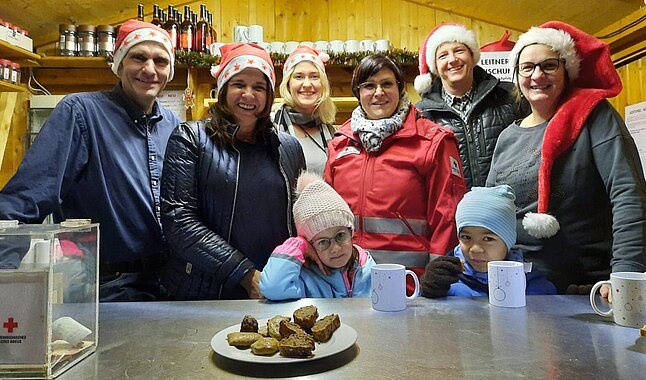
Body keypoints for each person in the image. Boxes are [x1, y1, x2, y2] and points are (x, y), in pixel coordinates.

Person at [0, 20, 180, 302]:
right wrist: (5, 280)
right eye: (138, 57)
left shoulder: (172, 125)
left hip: (167, 282)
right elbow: (26, 199)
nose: (149, 69)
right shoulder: (80, 113)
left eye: (160, 61)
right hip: (104, 288)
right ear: (118, 64)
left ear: (169, 72)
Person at [486, 21, 646, 295]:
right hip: (519, 286)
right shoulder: (506, 138)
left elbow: (628, 194)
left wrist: (625, 272)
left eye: (549, 65)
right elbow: (489, 214)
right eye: (527, 67)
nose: (537, 75)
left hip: (585, 288)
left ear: (567, 71)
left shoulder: (595, 117)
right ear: (517, 75)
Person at [160, 43, 306, 300]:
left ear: (269, 95)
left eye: (259, 87)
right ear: (224, 88)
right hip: (205, 291)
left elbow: (300, 215)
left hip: (272, 285)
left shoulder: (289, 146)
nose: (249, 95)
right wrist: (245, 274)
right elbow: (178, 220)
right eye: (239, 84)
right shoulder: (190, 138)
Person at [324, 54, 467, 292]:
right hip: (347, 284)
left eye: (387, 84)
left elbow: (448, 215)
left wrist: (438, 274)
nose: (378, 92)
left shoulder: (432, 141)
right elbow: (326, 215)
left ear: (400, 90)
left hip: (410, 285)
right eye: (369, 85)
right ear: (358, 93)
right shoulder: (340, 143)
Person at [414, 23, 528, 189]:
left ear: (472, 55)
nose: (452, 59)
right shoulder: (422, 114)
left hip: (510, 206)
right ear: (436, 67)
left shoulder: (509, 95)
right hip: (455, 211)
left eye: (459, 50)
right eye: (443, 55)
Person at [420, 185, 556, 298]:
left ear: (508, 241)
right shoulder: (446, 277)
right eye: (466, 237)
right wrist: (429, 290)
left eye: (488, 239)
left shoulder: (528, 282)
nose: (475, 249)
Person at [259, 172, 375, 300]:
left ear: (351, 232)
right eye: (323, 242)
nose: (335, 248)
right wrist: (300, 244)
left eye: (341, 236)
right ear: (310, 246)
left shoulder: (366, 266)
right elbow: (272, 288)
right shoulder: (305, 277)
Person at [272, 46, 337, 175]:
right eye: (299, 77)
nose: (307, 84)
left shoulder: (331, 132)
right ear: (288, 84)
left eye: (314, 76)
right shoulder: (270, 126)